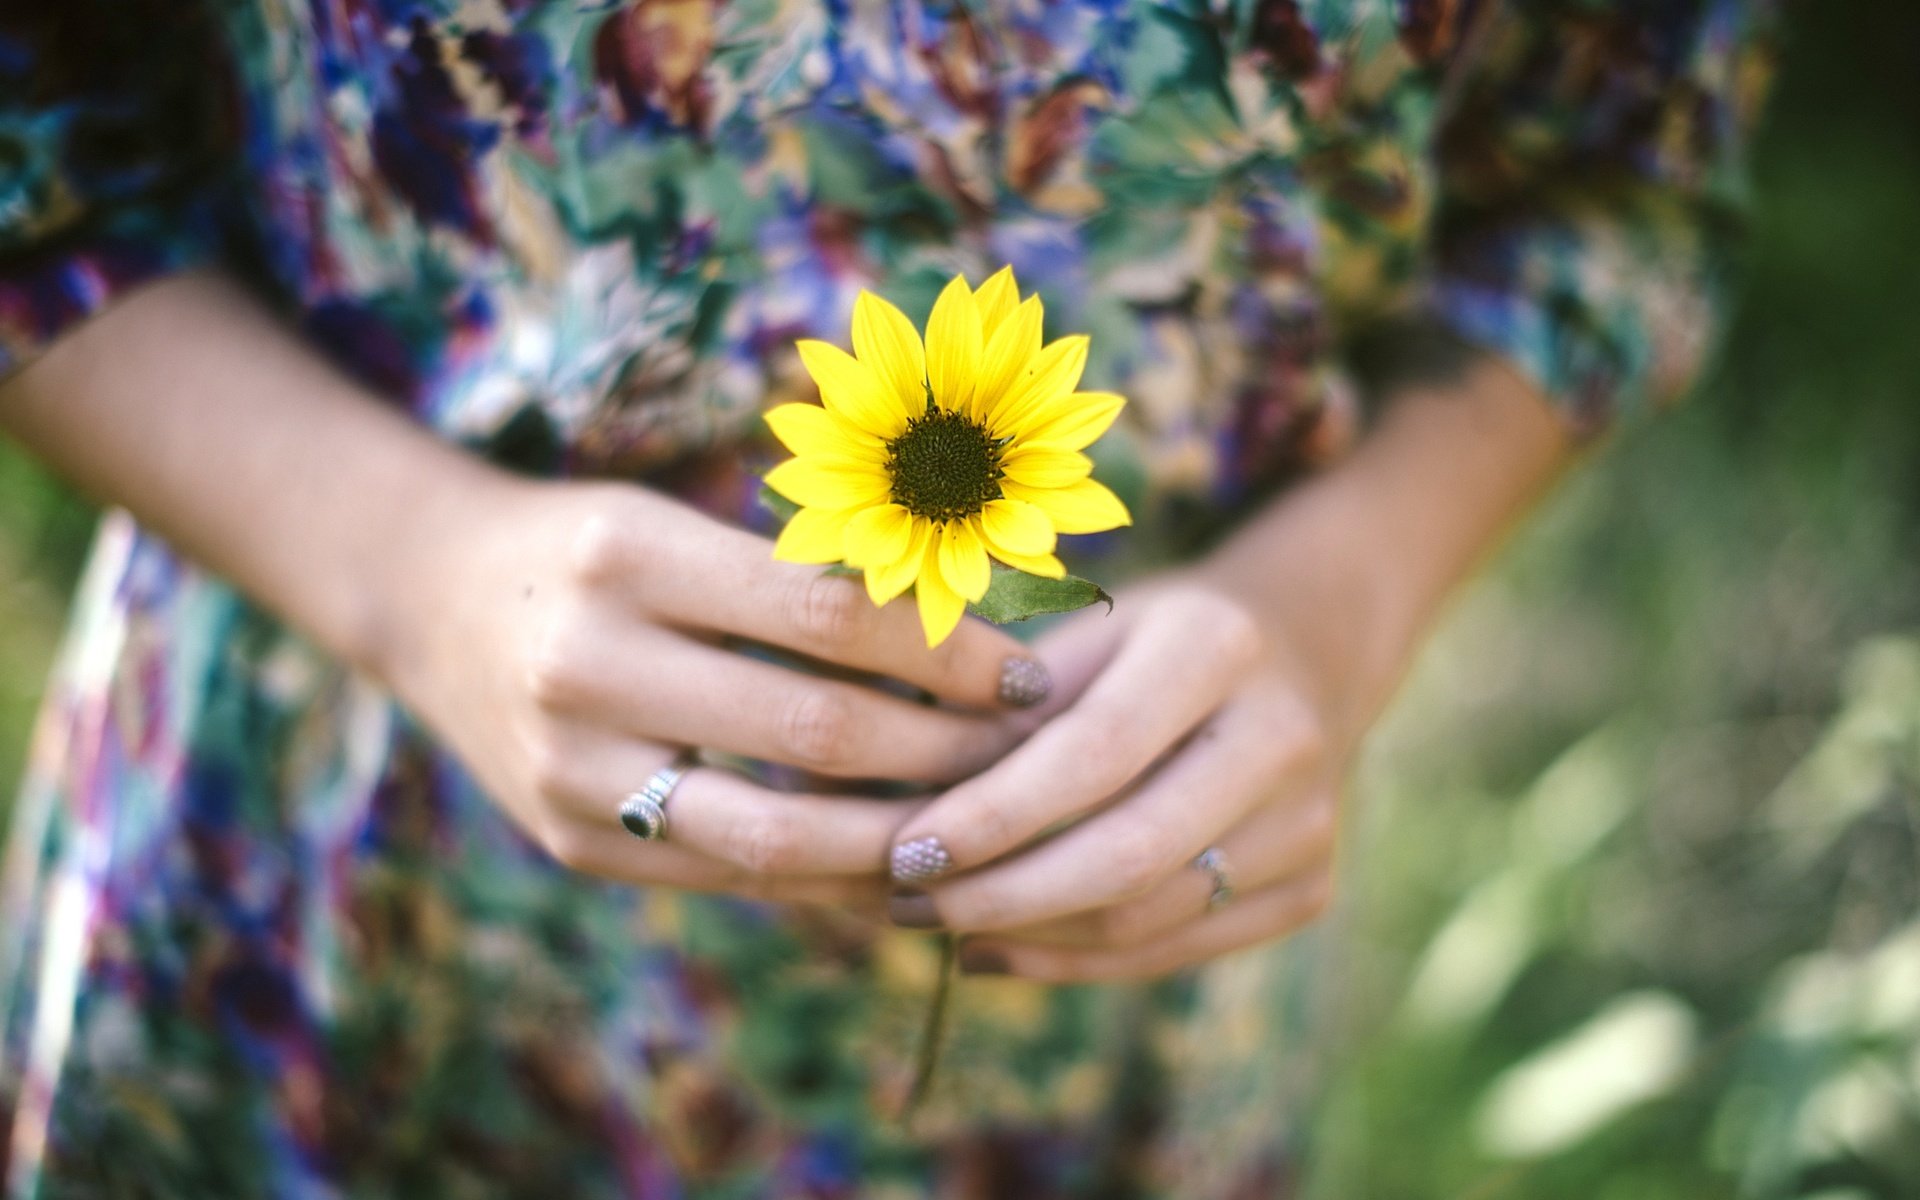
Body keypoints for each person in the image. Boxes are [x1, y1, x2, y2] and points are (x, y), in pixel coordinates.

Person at [0, 0, 1777, 1194]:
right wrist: (407, 570)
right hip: (336, 893)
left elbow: (1625, 175)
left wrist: (1336, 601)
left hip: (1120, 927)